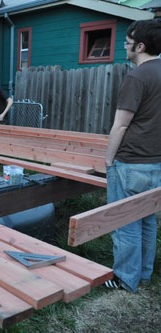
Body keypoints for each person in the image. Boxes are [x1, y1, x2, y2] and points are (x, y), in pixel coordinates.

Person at [104, 19, 161, 293]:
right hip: (156, 162)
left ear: (140, 46)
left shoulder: (137, 76)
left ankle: (126, 279)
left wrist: (108, 160)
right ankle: (144, 275)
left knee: (125, 220)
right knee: (148, 219)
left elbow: (122, 124)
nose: (124, 48)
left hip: (131, 162)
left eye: (127, 43)